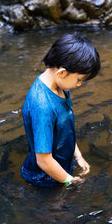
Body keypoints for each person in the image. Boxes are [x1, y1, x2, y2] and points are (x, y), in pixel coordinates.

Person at [21, 33, 100, 187]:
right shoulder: (42, 106)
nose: (79, 85)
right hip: (44, 177)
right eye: (79, 80)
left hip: (61, 168)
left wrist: (78, 156)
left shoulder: (60, 86)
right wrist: (70, 180)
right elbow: (43, 160)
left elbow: (65, 130)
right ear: (62, 72)